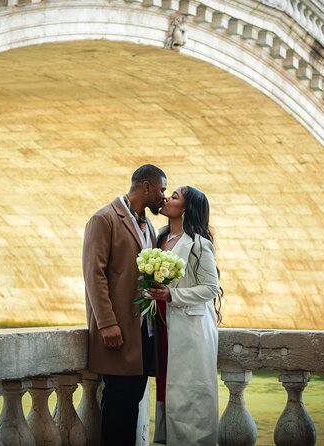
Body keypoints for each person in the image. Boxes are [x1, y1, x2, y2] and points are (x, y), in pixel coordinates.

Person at [82, 164, 167, 446]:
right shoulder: (103, 219)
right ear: (146, 186)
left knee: (132, 402)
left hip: (144, 332)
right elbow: (94, 274)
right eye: (161, 189)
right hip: (117, 330)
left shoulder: (149, 225)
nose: (163, 197)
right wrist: (107, 323)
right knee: (117, 403)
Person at [145, 185, 222, 446]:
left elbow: (210, 288)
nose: (166, 198)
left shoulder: (200, 244)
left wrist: (172, 296)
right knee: (170, 391)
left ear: (186, 209)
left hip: (190, 331)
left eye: (174, 196)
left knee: (192, 394)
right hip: (164, 326)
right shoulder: (159, 238)